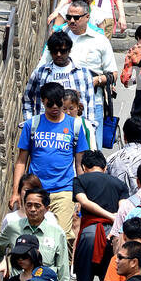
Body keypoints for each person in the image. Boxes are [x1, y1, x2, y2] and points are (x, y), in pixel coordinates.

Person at [11, 81, 88, 242]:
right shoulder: (32, 125)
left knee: (64, 237)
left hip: (64, 189)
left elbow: (80, 164)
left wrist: (81, 195)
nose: (54, 107)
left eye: (58, 103)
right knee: (33, 236)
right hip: (36, 191)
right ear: (43, 102)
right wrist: (16, 193)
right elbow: (21, 161)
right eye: (49, 104)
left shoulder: (74, 126)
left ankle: (63, 267)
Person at [72, 151, 128, 281]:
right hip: (111, 236)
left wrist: (107, 215)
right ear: (105, 167)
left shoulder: (80, 180)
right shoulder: (118, 184)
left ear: (84, 167)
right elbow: (123, 210)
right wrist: (112, 217)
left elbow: (84, 201)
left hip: (89, 234)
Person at [0, 186, 71, 281]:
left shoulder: (57, 233)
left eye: (37, 206)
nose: (32, 209)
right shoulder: (13, 228)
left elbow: (62, 265)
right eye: (29, 205)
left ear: (47, 208)